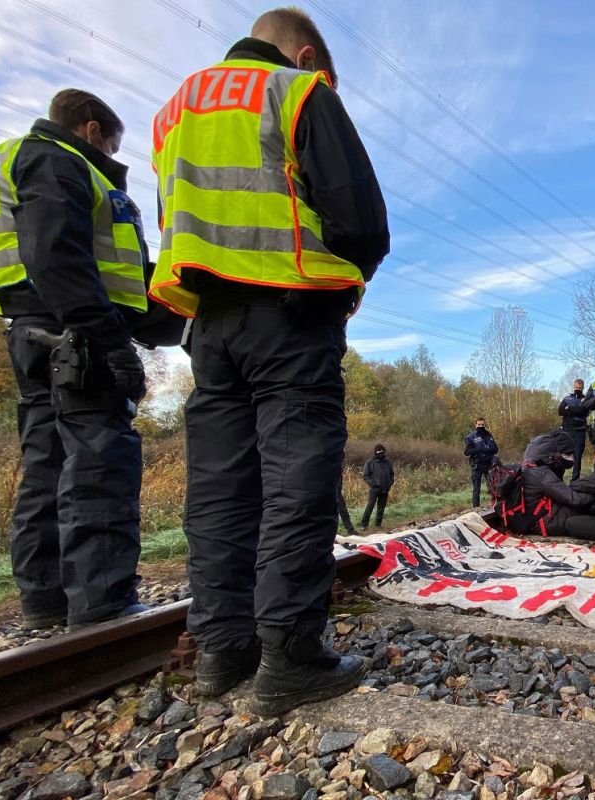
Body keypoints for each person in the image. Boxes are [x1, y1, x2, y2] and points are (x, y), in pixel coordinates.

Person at [150, 8, 389, 714]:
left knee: (220, 493)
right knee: (296, 484)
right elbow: (359, 220)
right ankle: (290, 658)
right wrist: (346, 285)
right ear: (307, 55)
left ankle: (222, 652)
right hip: (288, 316)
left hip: (209, 328)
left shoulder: (174, 111)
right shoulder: (298, 92)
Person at [0, 89, 156, 631]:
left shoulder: (18, 158)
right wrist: (108, 340)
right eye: (112, 143)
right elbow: (57, 252)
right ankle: (102, 602)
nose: (111, 155)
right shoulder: (58, 159)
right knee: (101, 458)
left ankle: (45, 599)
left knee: (47, 460)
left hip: (33, 327)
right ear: (92, 129)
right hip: (75, 331)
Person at [518, 430, 594, 537]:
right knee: (582, 509)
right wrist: (594, 496)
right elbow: (574, 499)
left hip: (531, 519)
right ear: (550, 452)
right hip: (540, 524)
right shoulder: (543, 474)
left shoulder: (527, 467)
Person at [557, 379, 588, 481]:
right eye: (576, 387)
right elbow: (560, 411)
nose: (577, 389)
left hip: (579, 431)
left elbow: (582, 411)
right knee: (562, 455)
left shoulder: (586, 399)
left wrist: (568, 408)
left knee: (577, 457)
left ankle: (575, 481)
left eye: (579, 388)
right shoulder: (567, 398)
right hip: (566, 430)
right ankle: (559, 479)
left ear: (583, 388)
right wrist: (575, 410)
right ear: (573, 387)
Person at [464, 416, 499, 507]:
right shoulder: (470, 437)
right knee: (477, 488)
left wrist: (489, 449)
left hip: (488, 464)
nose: (481, 426)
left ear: (485, 425)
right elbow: (466, 452)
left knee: (492, 486)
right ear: (476, 425)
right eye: (479, 424)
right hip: (477, 465)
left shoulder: (489, 435)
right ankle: (476, 508)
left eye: (483, 424)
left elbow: (495, 449)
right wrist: (478, 449)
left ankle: (495, 504)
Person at [360, 444, 394, 529]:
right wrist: (373, 483)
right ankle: (364, 524)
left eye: (383, 452)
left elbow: (391, 474)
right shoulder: (370, 462)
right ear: (376, 453)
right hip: (375, 489)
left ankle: (378, 524)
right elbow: (366, 476)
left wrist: (390, 482)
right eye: (379, 452)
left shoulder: (387, 462)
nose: (381, 454)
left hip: (385, 488)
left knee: (381, 507)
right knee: (370, 505)